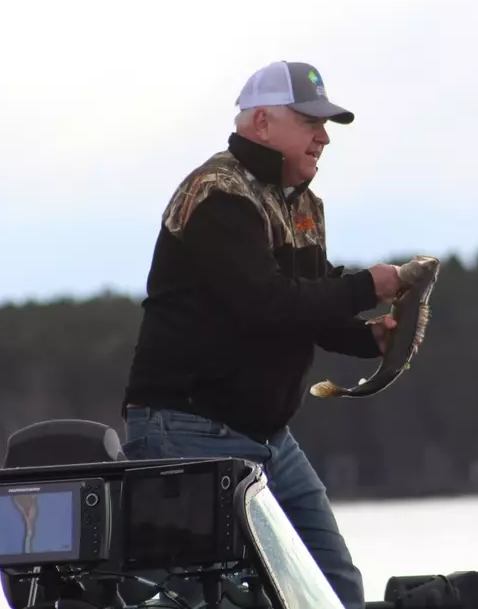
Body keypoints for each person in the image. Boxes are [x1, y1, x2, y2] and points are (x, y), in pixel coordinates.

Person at [120, 60, 406, 609]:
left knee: (332, 587)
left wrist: (368, 340)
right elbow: (266, 304)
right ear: (260, 123)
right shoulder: (217, 194)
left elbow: (310, 301)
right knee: (194, 599)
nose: (323, 137)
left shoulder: (302, 203)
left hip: (268, 438)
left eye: (325, 126)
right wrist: (369, 285)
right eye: (309, 122)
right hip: (185, 430)